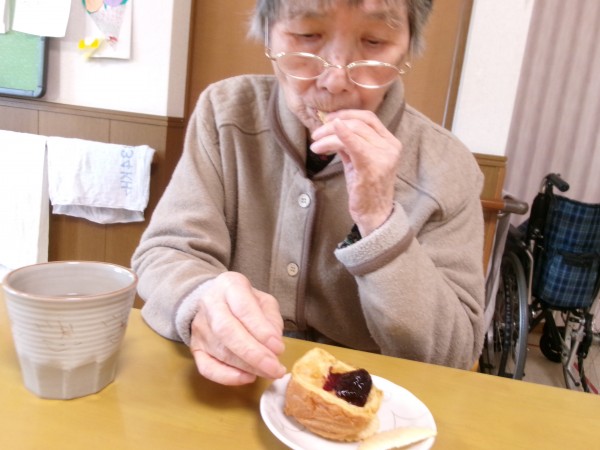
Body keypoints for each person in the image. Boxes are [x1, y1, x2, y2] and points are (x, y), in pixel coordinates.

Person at [131, 0, 485, 386]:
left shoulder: (449, 166)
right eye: (307, 35)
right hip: (233, 387)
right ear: (268, 34)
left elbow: (454, 353)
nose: (335, 81)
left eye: (374, 41)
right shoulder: (226, 112)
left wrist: (379, 220)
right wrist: (202, 298)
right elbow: (165, 253)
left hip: (377, 403)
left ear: (407, 49)